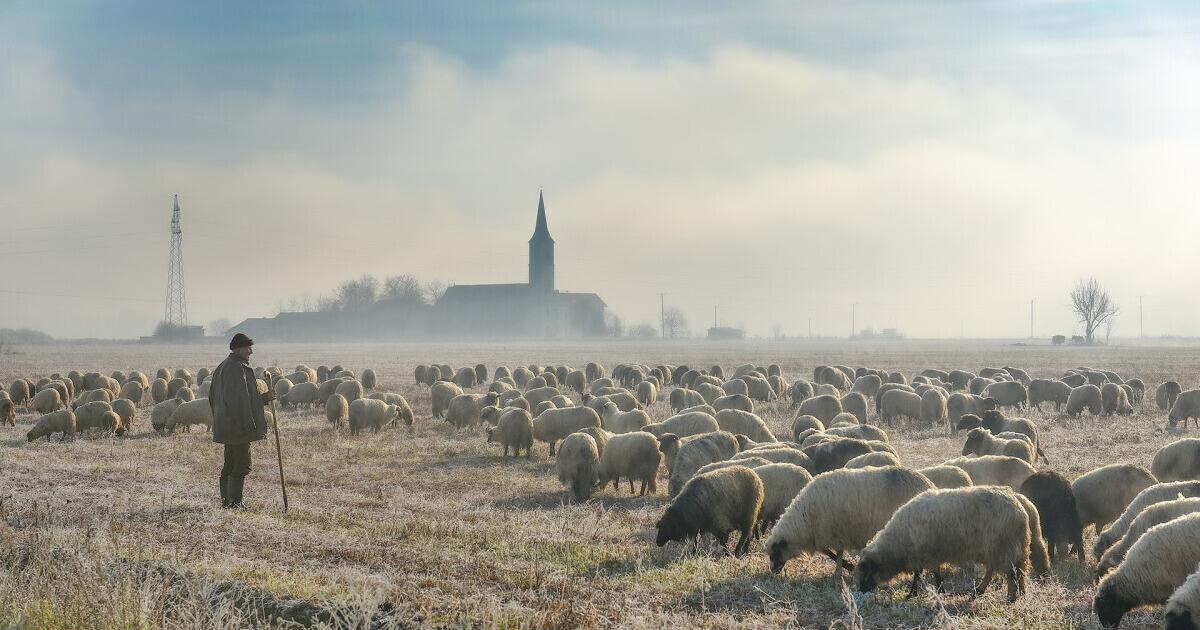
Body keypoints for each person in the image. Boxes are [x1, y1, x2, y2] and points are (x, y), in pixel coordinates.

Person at [209, 333, 275, 508]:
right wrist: (247, 425)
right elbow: (239, 401)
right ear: (238, 348)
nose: (251, 351)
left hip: (228, 424)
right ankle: (234, 503)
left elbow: (242, 397)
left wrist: (265, 398)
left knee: (230, 463)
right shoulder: (236, 369)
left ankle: (227, 501)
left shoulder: (224, 366)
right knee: (242, 464)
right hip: (237, 426)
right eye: (248, 347)